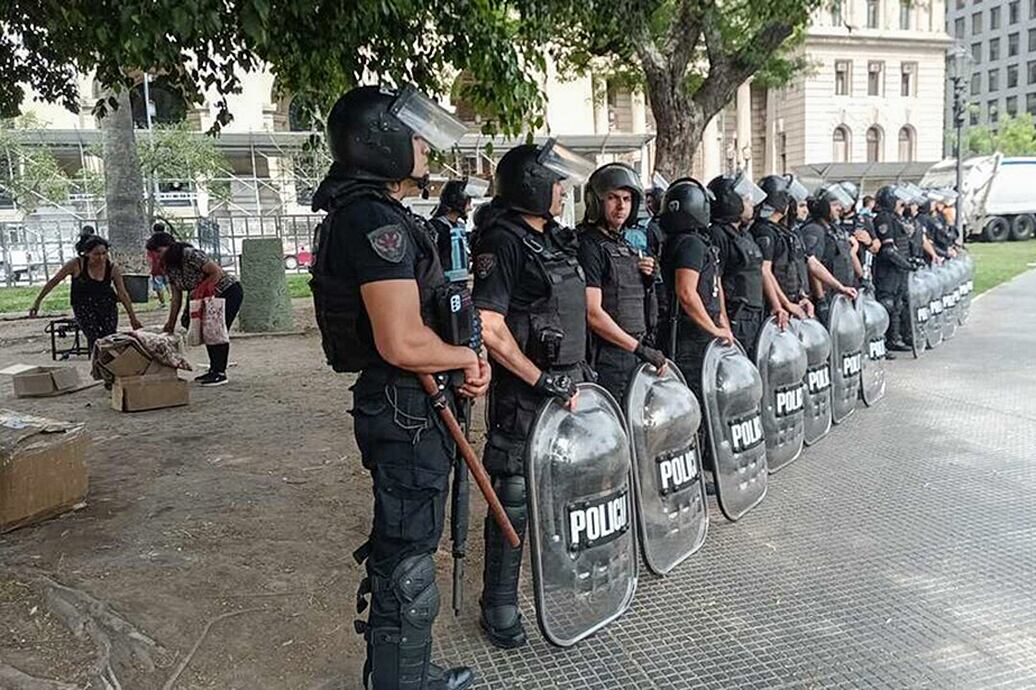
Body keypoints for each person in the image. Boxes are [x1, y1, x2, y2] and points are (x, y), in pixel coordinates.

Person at [308, 85, 487, 690]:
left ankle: (405, 672)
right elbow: (402, 342)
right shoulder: (372, 221)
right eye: (414, 136)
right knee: (407, 554)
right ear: (380, 143)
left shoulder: (379, 215)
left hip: (413, 398)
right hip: (404, 400)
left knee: (409, 542)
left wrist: (462, 357)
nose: (424, 145)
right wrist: (463, 357)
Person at [469, 139, 593, 650]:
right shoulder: (503, 241)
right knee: (514, 496)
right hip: (528, 395)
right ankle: (498, 603)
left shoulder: (553, 238)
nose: (564, 190)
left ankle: (560, 579)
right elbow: (489, 325)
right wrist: (538, 379)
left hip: (571, 383)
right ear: (536, 187)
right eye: (558, 182)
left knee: (566, 487)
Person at [577, 162, 665, 402]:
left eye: (626, 199)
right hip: (609, 358)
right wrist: (638, 349)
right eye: (612, 198)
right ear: (597, 202)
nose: (621, 206)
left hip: (633, 352)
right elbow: (593, 313)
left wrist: (647, 279)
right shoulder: (590, 245)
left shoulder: (623, 244)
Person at [658, 177, 734, 394]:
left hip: (699, 332)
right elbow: (686, 293)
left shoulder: (693, 242)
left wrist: (722, 324)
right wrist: (714, 329)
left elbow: (714, 286)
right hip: (691, 338)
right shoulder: (690, 244)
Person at [145, 231, 244, 386]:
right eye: (154, 253)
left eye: (159, 251)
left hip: (227, 291)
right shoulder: (169, 268)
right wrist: (170, 323)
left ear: (170, 247)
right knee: (193, 325)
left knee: (215, 330)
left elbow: (215, 272)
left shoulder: (190, 254)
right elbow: (176, 297)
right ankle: (214, 369)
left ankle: (219, 372)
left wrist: (202, 289)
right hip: (201, 297)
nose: (157, 256)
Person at [707, 172, 782, 356]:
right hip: (736, 317)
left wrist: (776, 305)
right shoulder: (718, 235)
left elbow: (761, 272)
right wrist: (723, 320)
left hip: (754, 314)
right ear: (731, 202)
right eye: (746, 200)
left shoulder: (744, 235)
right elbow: (716, 281)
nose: (751, 205)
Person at [29, 235, 143, 352]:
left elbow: (123, 293)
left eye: (104, 253)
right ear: (86, 253)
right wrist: (37, 302)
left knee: (109, 338)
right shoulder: (76, 265)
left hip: (107, 306)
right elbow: (54, 281)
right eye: (96, 254)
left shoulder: (112, 268)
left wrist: (133, 318)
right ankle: (97, 366)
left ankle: (108, 367)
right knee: (94, 339)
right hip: (83, 307)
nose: (101, 258)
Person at [753, 175, 814, 321]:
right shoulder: (764, 230)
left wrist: (800, 297)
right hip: (776, 309)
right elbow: (765, 271)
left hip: (790, 303)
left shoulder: (781, 231)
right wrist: (782, 304)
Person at [799, 185, 858, 325]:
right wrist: (821, 299)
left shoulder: (834, 229)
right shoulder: (814, 230)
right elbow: (813, 265)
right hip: (829, 297)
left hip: (840, 295)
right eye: (835, 204)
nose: (840, 208)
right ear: (823, 207)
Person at [872, 186, 915, 352]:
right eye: (898, 201)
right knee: (887, 305)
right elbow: (888, 250)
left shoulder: (895, 218)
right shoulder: (884, 218)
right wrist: (906, 264)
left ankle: (894, 339)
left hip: (898, 270)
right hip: (887, 271)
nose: (901, 204)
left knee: (897, 305)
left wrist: (909, 261)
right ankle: (884, 342)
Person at [429, 178, 488, 284]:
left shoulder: (459, 227)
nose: (470, 208)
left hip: (460, 285)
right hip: (443, 287)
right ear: (458, 201)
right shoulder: (435, 227)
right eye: (468, 203)